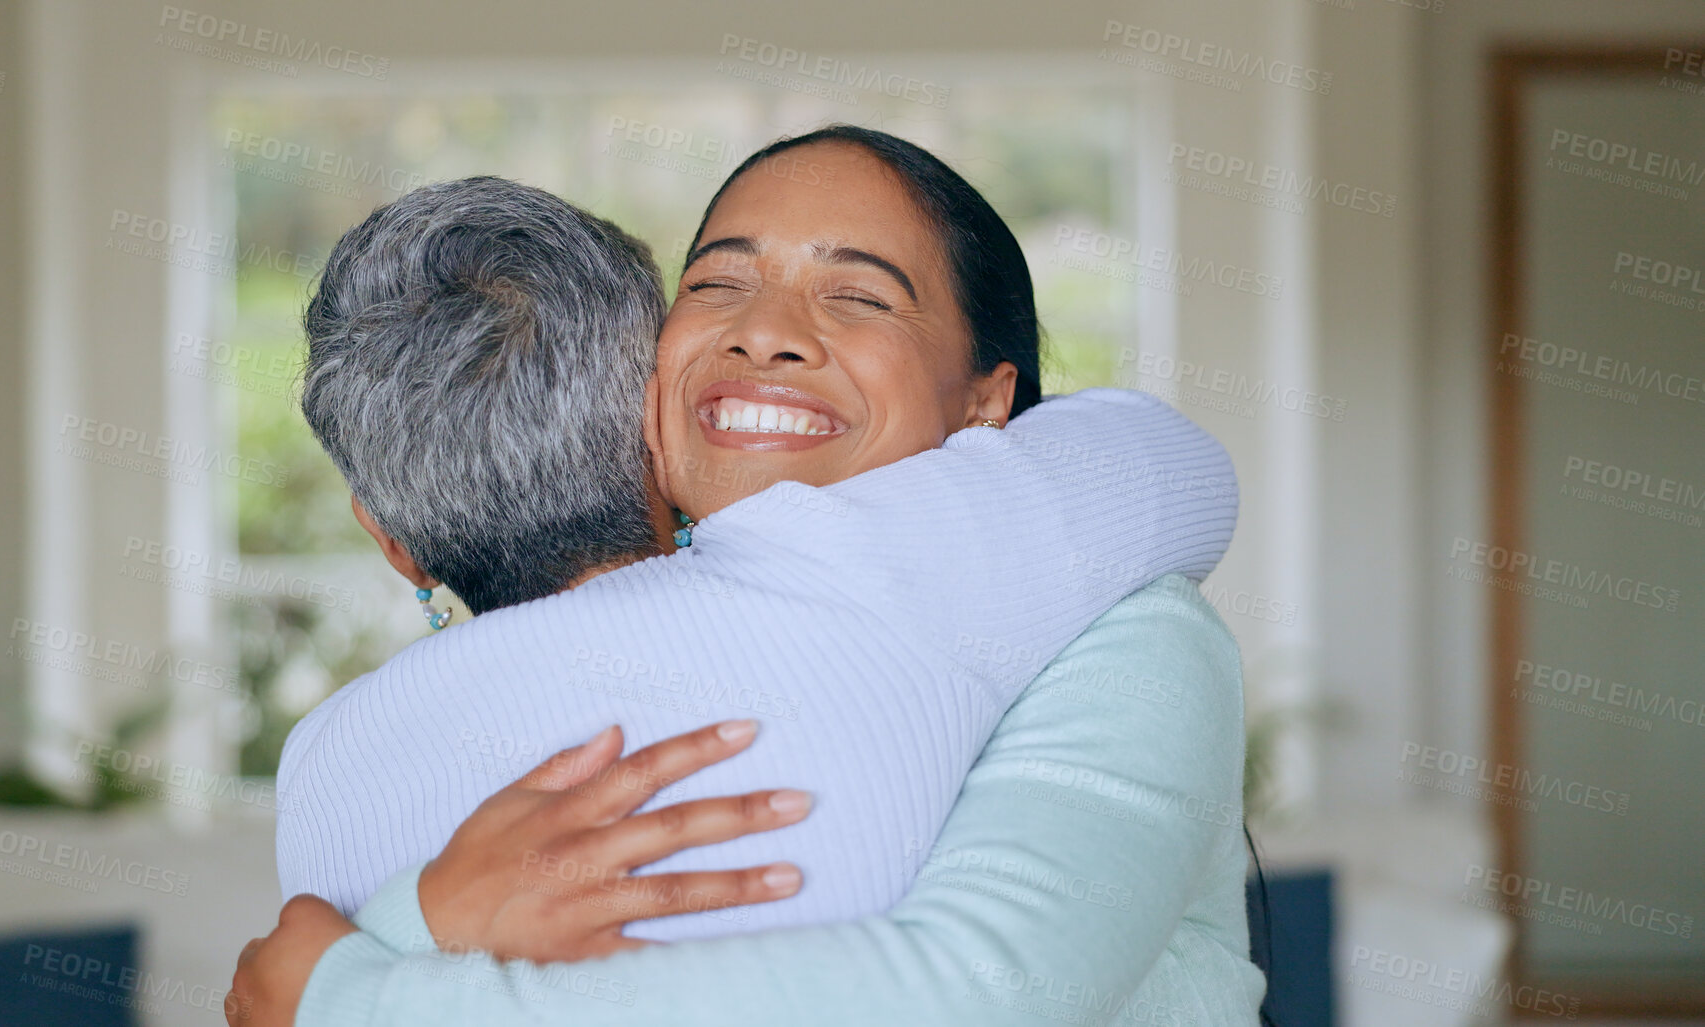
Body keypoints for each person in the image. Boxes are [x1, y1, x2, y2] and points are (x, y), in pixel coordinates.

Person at [248, 127, 1260, 1022]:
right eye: (716, 283)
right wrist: (420, 914)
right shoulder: (573, 655)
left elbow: (989, 991)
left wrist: (366, 986)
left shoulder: (1125, 629)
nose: (763, 329)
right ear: (640, 388)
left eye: (861, 295)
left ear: (986, 401)